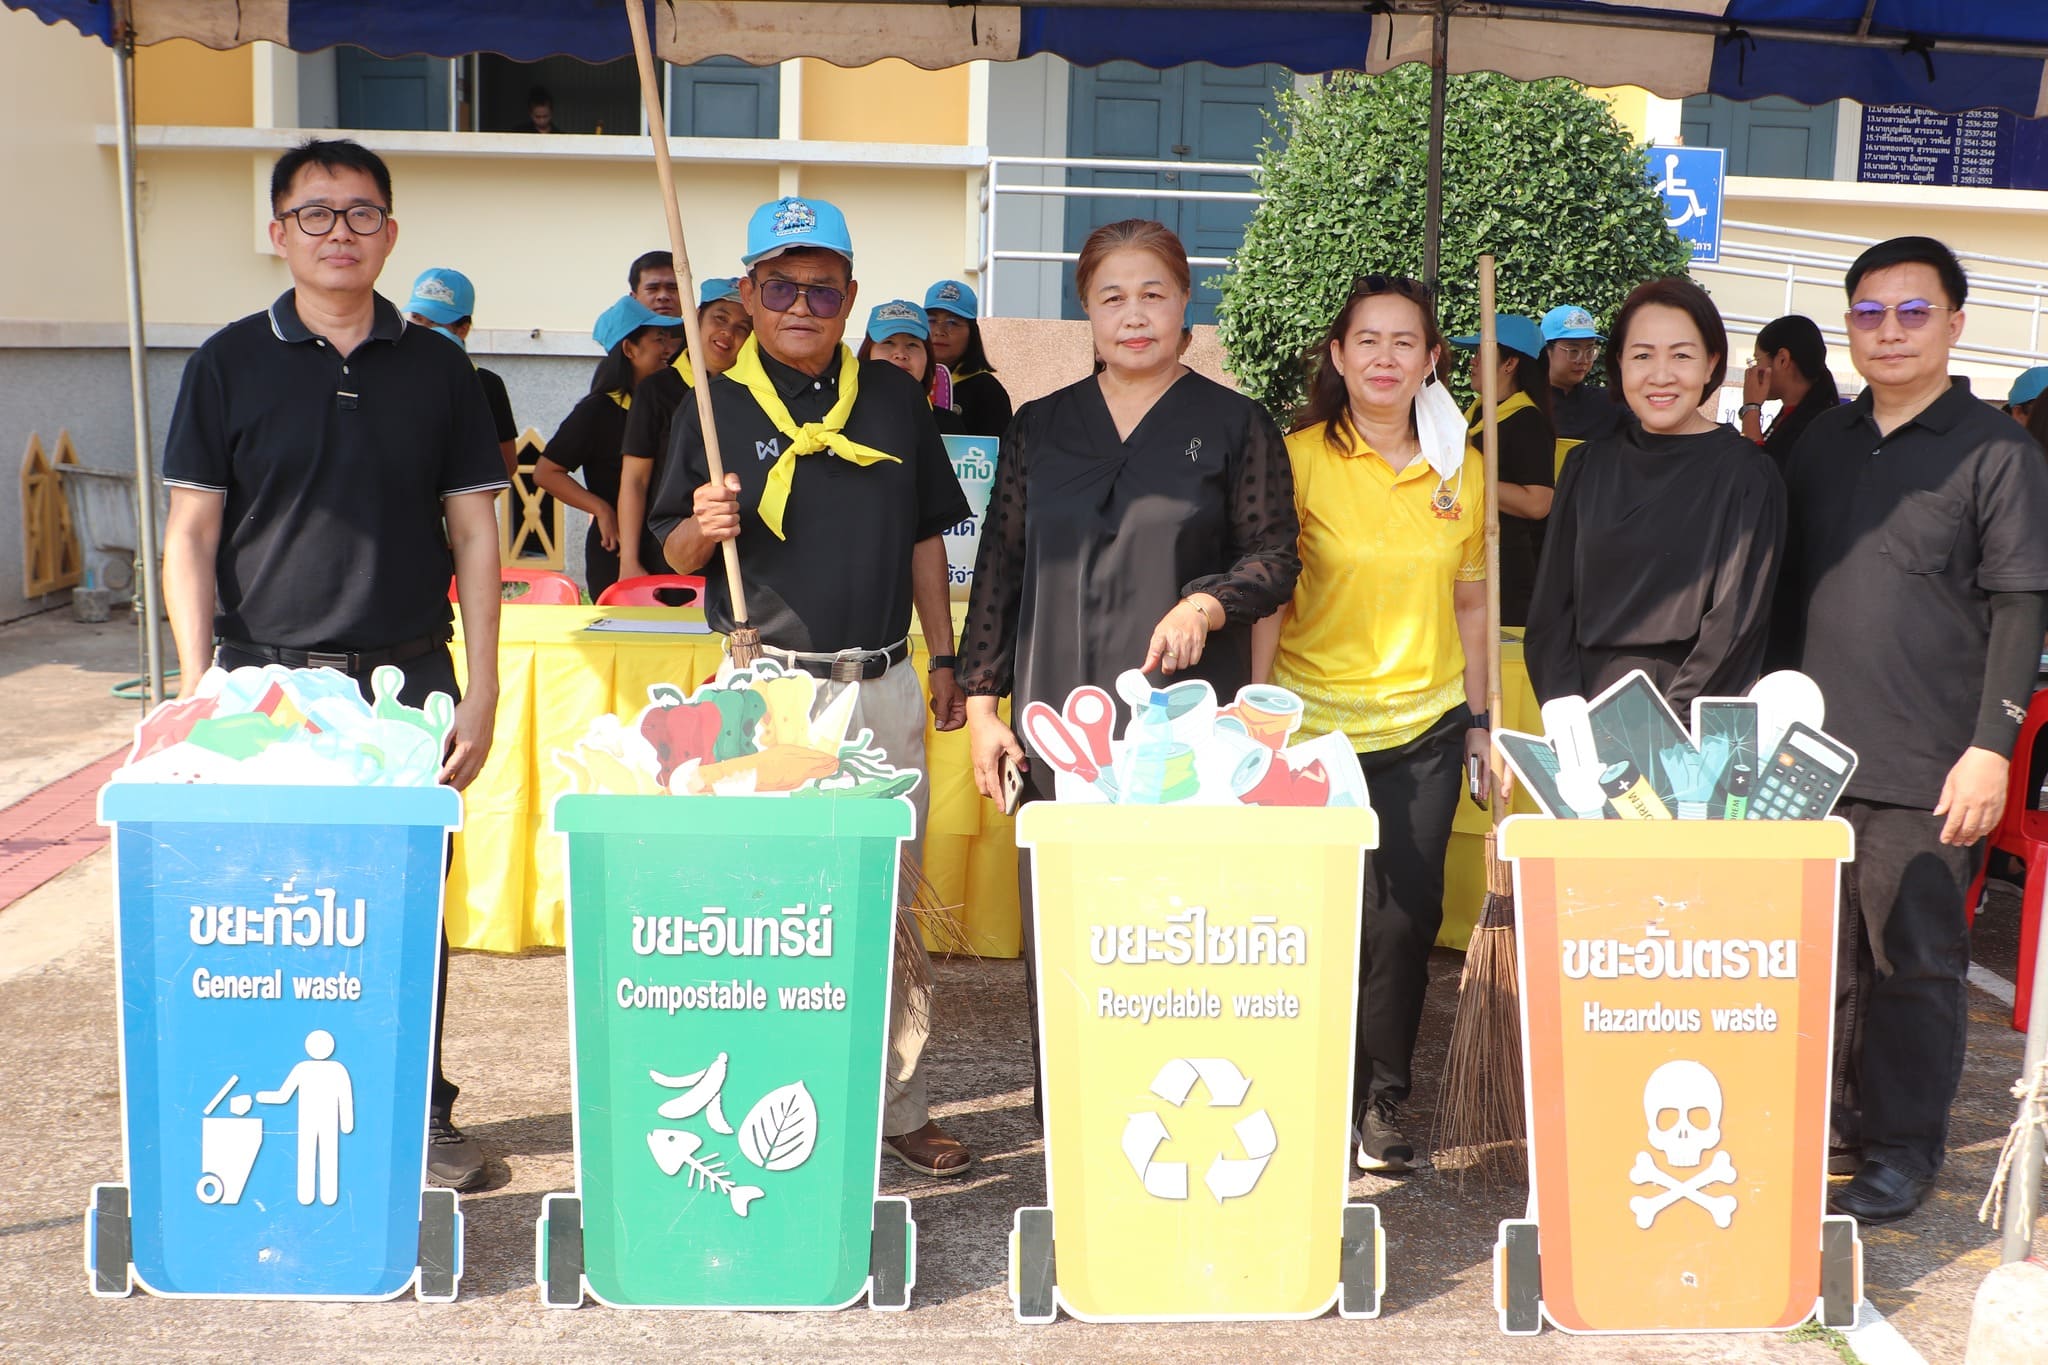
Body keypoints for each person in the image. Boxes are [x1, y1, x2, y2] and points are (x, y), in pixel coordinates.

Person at [159, 138, 505, 1192]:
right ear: (279, 233)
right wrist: (195, 688)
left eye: (360, 213)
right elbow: (190, 536)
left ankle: (416, 1112)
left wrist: (484, 688)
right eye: (315, 213)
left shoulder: (441, 370)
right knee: (273, 908)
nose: (338, 232)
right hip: (261, 689)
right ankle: (274, 1105)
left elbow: (476, 533)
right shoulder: (226, 363)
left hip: (409, 686)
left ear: (390, 233)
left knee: (404, 906)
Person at [647, 196, 977, 1179]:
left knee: (892, 906)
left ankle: (899, 1103)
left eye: (822, 289)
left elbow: (926, 538)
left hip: (880, 685)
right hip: (765, 690)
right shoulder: (712, 406)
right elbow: (669, 550)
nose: (801, 305)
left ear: (851, 297)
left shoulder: (893, 402)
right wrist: (702, 527)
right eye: (781, 286)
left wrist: (945, 657)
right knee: (767, 906)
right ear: (748, 294)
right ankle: (767, 1086)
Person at [959, 218, 1300, 1114]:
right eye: (1112, 297)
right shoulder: (1037, 428)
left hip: (1181, 733)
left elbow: (1275, 558)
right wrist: (984, 706)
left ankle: (1174, 1106)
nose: (1134, 314)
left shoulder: (1236, 425)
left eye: (1153, 294)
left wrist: (1207, 603)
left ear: (1186, 302)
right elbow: (998, 568)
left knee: (1174, 924)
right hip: (1056, 726)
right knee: (1064, 918)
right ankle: (1073, 1114)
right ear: (1087, 310)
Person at [1772, 236, 2048, 1223]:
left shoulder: (1995, 452)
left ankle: (1900, 1151)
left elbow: (2020, 607)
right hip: (1807, 761)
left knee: (1913, 966)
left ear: (1954, 324)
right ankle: (1831, 1128)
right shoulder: (1820, 443)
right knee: (1823, 961)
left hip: (1931, 766)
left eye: (1912, 311)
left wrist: (1991, 748)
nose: (1888, 331)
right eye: (1868, 312)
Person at [1244, 273, 1486, 1172]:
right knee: (1318, 918)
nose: (1386, 358)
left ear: (1431, 360)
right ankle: (1313, 1089)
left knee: (1404, 924)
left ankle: (1382, 1099)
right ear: (1339, 356)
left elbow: (1472, 603)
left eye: (1405, 341)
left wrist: (1481, 721)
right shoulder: (1297, 457)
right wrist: (1254, 714)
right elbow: (1271, 597)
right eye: (1368, 341)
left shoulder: (1462, 467)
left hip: (1426, 726)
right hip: (1313, 730)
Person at [1526, 277, 1784, 712]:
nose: (1661, 375)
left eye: (1681, 355)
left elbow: (1735, 624)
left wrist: (1667, 729)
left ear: (1711, 364)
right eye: (1642, 355)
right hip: (1582, 703)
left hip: (1685, 711)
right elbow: (1550, 609)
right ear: (1620, 364)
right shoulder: (1586, 466)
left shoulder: (1746, 475)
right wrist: (1568, 714)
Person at [533, 297, 685, 599]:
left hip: (667, 545)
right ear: (629, 349)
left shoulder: (670, 404)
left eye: (669, 339)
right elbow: (546, 472)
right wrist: (600, 508)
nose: (669, 348)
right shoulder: (598, 410)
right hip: (616, 549)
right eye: (658, 340)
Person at [616, 276, 753, 583]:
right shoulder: (656, 390)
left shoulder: (754, 395)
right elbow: (635, 480)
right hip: (667, 554)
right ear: (696, 318)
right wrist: (629, 560)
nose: (728, 333)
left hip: (737, 559)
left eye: (742, 327)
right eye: (720, 318)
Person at [1450, 313, 1556, 626]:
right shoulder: (1476, 412)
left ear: (1509, 363)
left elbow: (1538, 502)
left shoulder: (1526, 421)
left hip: (1508, 571)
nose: (1472, 362)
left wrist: (1468, 481)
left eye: (1480, 353)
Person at [404, 267, 519, 481]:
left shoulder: (485, 384)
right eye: (416, 318)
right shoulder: (388, 375)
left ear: (462, 329)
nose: (421, 330)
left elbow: (505, 465)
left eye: (435, 322)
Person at [1738, 314, 1842, 467]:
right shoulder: (1794, 413)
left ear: (1782, 359)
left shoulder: (1818, 428)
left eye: (1757, 360)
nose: (1753, 370)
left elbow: (1757, 474)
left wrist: (1751, 408)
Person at [924, 279, 1013, 437]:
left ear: (972, 332)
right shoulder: (908, 381)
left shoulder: (988, 391)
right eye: (931, 320)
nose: (939, 331)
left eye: (952, 322)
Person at [858, 299, 962, 434]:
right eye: (888, 342)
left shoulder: (949, 425)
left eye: (912, 344)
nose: (901, 354)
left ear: (928, 358)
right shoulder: (845, 417)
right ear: (867, 354)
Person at [1541, 303, 1622, 445]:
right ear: (1546, 351)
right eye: (1573, 351)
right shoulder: (1528, 405)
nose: (1583, 360)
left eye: (1590, 351)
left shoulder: (1608, 404)